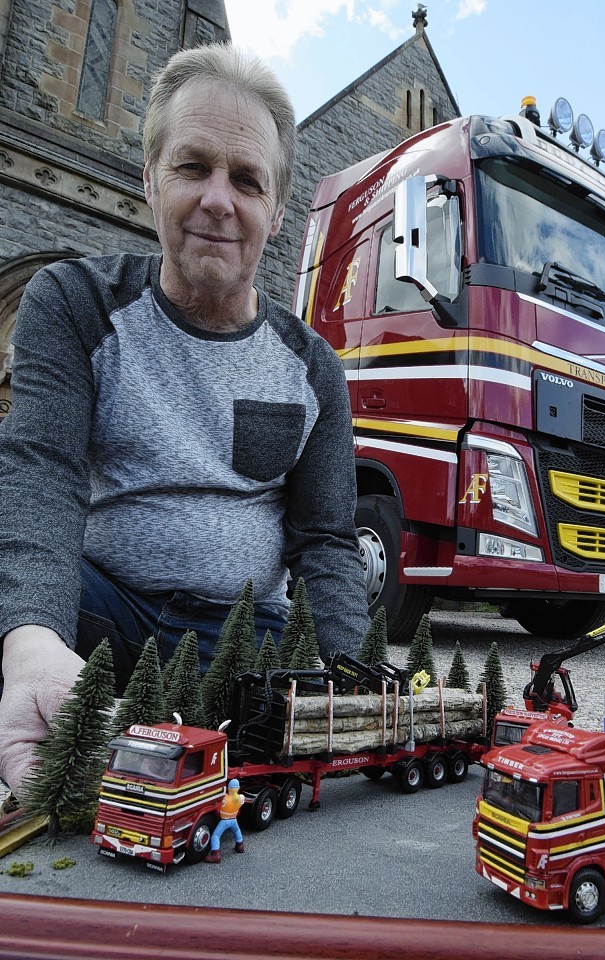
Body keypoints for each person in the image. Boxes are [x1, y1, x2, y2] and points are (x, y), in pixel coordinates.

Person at [0, 43, 370, 797]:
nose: (218, 199)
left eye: (246, 179)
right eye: (192, 166)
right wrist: (33, 641)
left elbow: (327, 540)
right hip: (98, 616)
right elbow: (41, 474)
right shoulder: (74, 302)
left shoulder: (315, 369)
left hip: (246, 643)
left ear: (276, 204)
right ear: (149, 177)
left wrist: (351, 681)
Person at [204, 778, 245, 863]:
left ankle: (216, 854)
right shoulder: (241, 798)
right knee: (237, 831)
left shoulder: (225, 799)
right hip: (234, 820)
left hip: (224, 821)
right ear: (238, 788)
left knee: (216, 836)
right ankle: (240, 846)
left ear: (229, 788)